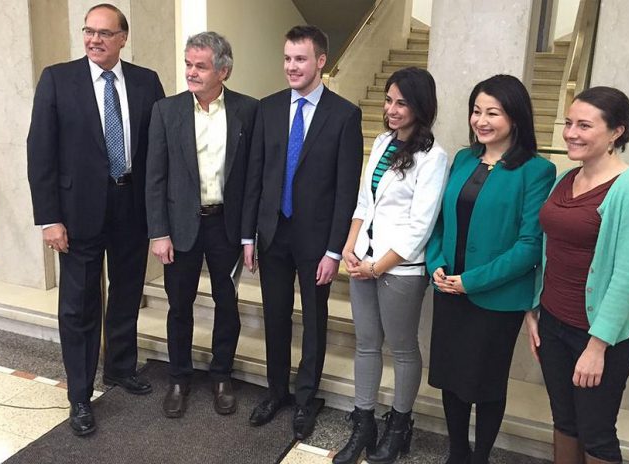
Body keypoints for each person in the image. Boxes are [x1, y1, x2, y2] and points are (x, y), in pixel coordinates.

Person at [26, 3, 164, 436]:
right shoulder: (57, 79)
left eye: (105, 33)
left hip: (131, 209)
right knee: (79, 304)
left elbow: (157, 152)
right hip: (77, 214)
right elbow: (40, 151)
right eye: (89, 31)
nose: (95, 40)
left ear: (123, 38)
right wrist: (50, 218)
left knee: (126, 293)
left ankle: (120, 367)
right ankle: (80, 395)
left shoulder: (146, 82)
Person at [426, 74, 556, 464]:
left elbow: (529, 245)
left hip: (495, 298)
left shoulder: (537, 170)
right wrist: (436, 265)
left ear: (515, 117)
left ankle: (479, 456)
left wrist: (472, 282)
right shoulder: (465, 159)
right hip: (448, 286)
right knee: (450, 377)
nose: (481, 120)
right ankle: (457, 453)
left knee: (485, 384)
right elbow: (440, 224)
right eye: (476, 111)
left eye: (492, 113)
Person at [242, 25, 363, 440]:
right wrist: (247, 237)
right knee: (275, 316)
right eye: (288, 58)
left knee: (314, 320)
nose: (292, 67)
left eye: (300, 59)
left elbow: (346, 190)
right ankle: (276, 391)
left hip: (316, 242)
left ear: (321, 61)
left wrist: (334, 250)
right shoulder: (268, 107)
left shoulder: (345, 114)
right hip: (273, 234)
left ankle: (305, 398)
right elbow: (255, 176)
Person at [524, 87, 629, 464]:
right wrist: (533, 311)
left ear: (616, 131)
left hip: (598, 336)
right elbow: (550, 250)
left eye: (584, 125)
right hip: (552, 324)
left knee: (597, 435)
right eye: (569, 123)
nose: (571, 133)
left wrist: (597, 346)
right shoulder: (565, 179)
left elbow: (627, 279)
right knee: (565, 422)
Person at [332, 67, 449, 464]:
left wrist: (378, 266)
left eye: (402, 102)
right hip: (365, 260)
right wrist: (350, 249)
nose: (392, 109)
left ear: (421, 107)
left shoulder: (434, 157)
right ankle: (363, 423)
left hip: (400, 267)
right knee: (366, 344)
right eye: (388, 100)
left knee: (401, 348)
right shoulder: (382, 141)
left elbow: (421, 224)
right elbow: (364, 203)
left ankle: (399, 426)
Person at [146, 32, 257, 419]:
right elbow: (155, 177)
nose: (191, 72)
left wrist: (249, 235)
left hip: (225, 226)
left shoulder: (248, 111)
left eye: (201, 66)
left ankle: (222, 375)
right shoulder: (166, 110)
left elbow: (252, 179)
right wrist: (158, 232)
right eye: (188, 64)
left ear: (223, 70)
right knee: (180, 306)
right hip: (180, 228)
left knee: (227, 304)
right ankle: (179, 378)